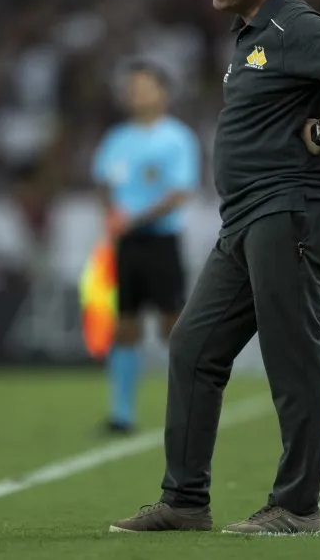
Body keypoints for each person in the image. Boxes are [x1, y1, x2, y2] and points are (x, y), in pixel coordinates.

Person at [109, 0, 320, 535]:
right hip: (249, 217)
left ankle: (296, 507)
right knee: (193, 346)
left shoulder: (293, 25)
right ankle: (184, 501)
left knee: (292, 357)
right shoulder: (252, 34)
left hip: (289, 207)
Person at [90, 59, 201, 435]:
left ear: (163, 92)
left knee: (173, 325)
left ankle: (190, 407)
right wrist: (111, 213)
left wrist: (131, 218)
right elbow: (104, 183)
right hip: (127, 244)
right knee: (125, 325)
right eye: (131, 86)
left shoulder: (177, 137)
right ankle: (121, 414)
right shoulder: (117, 139)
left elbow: (179, 193)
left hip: (160, 241)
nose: (134, 93)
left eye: (143, 85)